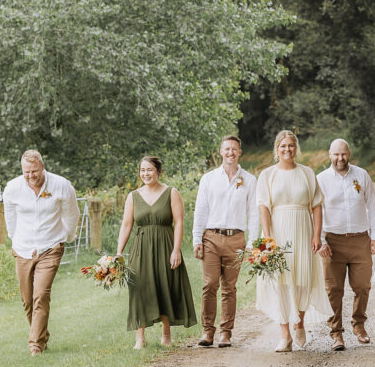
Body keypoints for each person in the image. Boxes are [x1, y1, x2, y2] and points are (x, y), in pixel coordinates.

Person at [256, 130, 332, 352]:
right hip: (278, 231)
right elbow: (264, 208)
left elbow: (317, 206)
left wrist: (317, 235)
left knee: (302, 279)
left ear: (296, 148)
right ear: (276, 149)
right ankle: (285, 334)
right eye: (283, 146)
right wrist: (268, 238)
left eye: (290, 145)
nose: (287, 149)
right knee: (280, 281)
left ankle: (299, 322)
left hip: (302, 229)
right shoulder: (267, 175)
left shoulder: (307, 173)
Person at [3, 150, 79, 355]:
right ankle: (42, 336)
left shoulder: (61, 185)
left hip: (51, 246)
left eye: (34, 171)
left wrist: (67, 237)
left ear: (42, 167)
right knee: (27, 300)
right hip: (23, 247)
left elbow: (72, 214)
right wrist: (15, 239)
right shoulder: (12, 188)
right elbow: (10, 218)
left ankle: (35, 345)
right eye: (26, 172)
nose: (30, 176)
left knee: (41, 294)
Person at [117, 156, 197, 349]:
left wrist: (176, 250)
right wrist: (119, 252)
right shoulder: (133, 196)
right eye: (142, 170)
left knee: (165, 286)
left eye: (150, 169)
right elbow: (127, 225)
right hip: (141, 248)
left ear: (159, 172)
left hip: (166, 245)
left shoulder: (171, 192)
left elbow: (179, 223)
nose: (146, 173)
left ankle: (166, 335)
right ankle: (140, 338)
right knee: (139, 288)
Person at [192, 135, 259, 348]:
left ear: (240, 152)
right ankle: (207, 331)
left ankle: (225, 333)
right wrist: (197, 239)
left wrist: (251, 243)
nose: (230, 152)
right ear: (221, 152)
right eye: (226, 149)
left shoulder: (249, 180)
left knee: (229, 287)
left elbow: (254, 213)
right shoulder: (209, 179)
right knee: (210, 284)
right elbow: (200, 210)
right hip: (211, 237)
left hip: (236, 239)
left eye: (234, 149)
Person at [316, 139, 375, 351]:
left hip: (360, 239)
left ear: (349, 154)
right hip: (332, 241)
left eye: (343, 154)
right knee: (333, 289)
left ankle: (359, 325)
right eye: (336, 154)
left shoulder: (361, 175)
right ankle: (336, 333)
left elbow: (372, 205)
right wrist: (321, 240)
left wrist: (374, 236)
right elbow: (314, 213)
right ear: (329, 155)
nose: (340, 158)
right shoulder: (321, 180)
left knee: (362, 286)